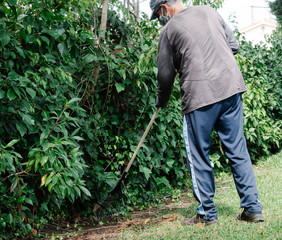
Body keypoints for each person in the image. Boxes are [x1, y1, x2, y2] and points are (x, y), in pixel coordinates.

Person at [149, 0, 264, 225]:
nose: (161, 17)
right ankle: (252, 209)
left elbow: (165, 75)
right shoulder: (209, 11)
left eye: (158, 13)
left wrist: (161, 101)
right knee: (238, 149)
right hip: (231, 88)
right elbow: (234, 45)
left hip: (200, 96)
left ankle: (206, 214)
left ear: (164, 6)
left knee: (199, 154)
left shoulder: (169, 30)